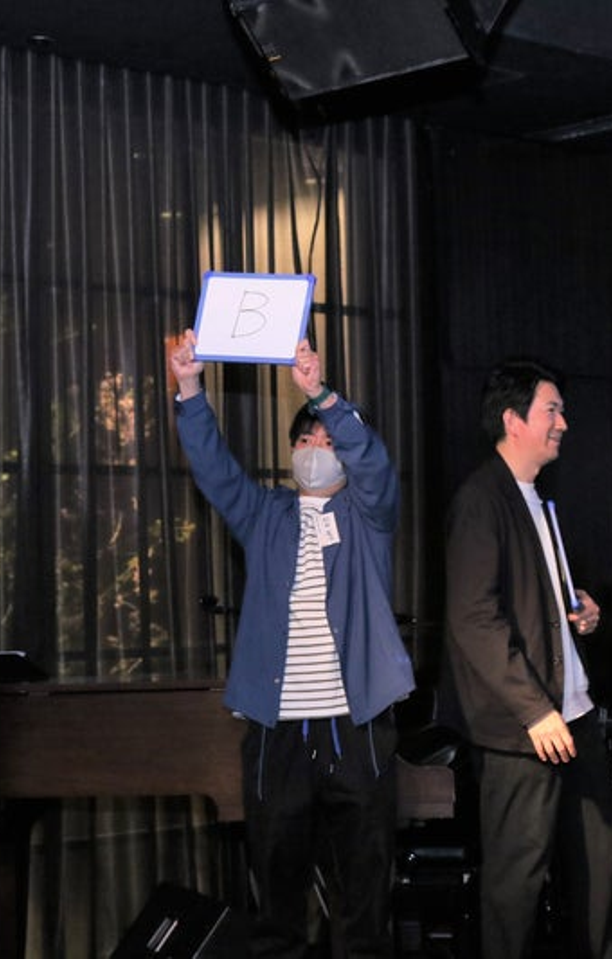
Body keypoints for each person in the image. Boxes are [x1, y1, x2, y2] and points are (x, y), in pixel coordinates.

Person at [168, 329, 415, 959]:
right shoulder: (266, 515)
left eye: (328, 442)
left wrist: (322, 396)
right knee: (276, 902)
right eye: (305, 440)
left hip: (355, 724)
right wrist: (190, 389)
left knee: (364, 900)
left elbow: (375, 467)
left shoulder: (368, 516)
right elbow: (216, 471)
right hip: (277, 731)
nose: (315, 450)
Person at [442, 358, 612, 958]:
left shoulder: (537, 500)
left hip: (573, 714)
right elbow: (473, 618)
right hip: (525, 728)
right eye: (552, 410)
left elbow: (534, 602)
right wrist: (534, 709)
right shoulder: (480, 499)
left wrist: (580, 611)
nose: (563, 423)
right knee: (516, 883)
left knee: (597, 864)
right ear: (513, 420)